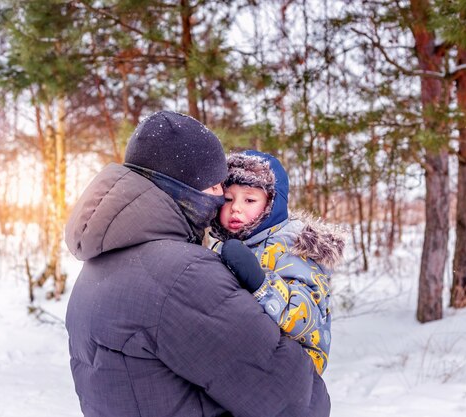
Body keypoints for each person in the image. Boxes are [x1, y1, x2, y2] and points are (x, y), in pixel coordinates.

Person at [64, 111, 330, 417]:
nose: (222, 200)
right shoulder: (182, 275)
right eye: (216, 187)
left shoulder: (100, 261)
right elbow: (297, 399)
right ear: (183, 184)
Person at [209, 151, 346, 375]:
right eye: (228, 199)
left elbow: (307, 317)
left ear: (271, 204)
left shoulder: (291, 246)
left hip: (296, 364)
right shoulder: (219, 245)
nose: (236, 208)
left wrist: (262, 284)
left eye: (250, 199)